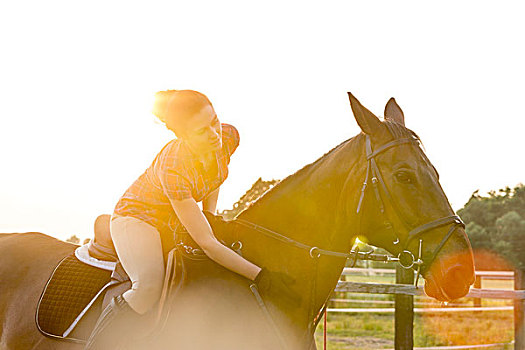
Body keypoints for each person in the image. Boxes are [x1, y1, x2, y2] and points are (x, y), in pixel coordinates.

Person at [84, 90, 295, 349]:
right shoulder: (174, 166)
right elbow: (207, 243)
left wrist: (210, 214)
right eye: (201, 131)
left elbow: (215, 176)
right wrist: (262, 277)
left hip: (174, 218)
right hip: (137, 217)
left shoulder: (228, 136)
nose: (215, 134)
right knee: (148, 287)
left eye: (214, 121)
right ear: (183, 137)